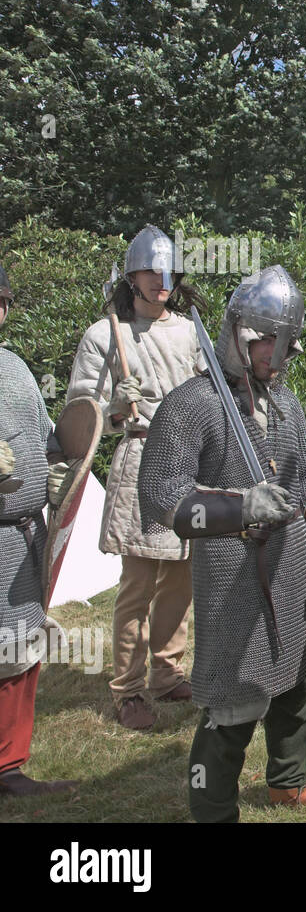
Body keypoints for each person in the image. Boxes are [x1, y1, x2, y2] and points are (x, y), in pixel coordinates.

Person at [138, 265, 306, 822]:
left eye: (284, 344)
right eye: (265, 341)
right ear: (236, 333)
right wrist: (240, 506)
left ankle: (288, 783)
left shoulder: (287, 406)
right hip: (229, 572)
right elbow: (164, 496)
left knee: (298, 682)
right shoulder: (192, 404)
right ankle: (214, 810)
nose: (274, 356)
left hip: (291, 573)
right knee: (231, 703)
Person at [67, 225, 202, 730]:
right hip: (140, 459)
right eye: (149, 269)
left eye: (167, 270)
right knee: (138, 584)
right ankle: (127, 689)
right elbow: (79, 413)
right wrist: (113, 405)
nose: (159, 279)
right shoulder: (106, 335)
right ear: (132, 276)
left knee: (182, 579)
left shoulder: (191, 332)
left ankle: (167, 674)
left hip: (187, 462)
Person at [0, 260, 79, 798]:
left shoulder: (16, 367)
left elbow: (48, 435)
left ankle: (9, 766)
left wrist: (57, 463)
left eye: (1, 300)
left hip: (22, 534)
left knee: (19, 651)